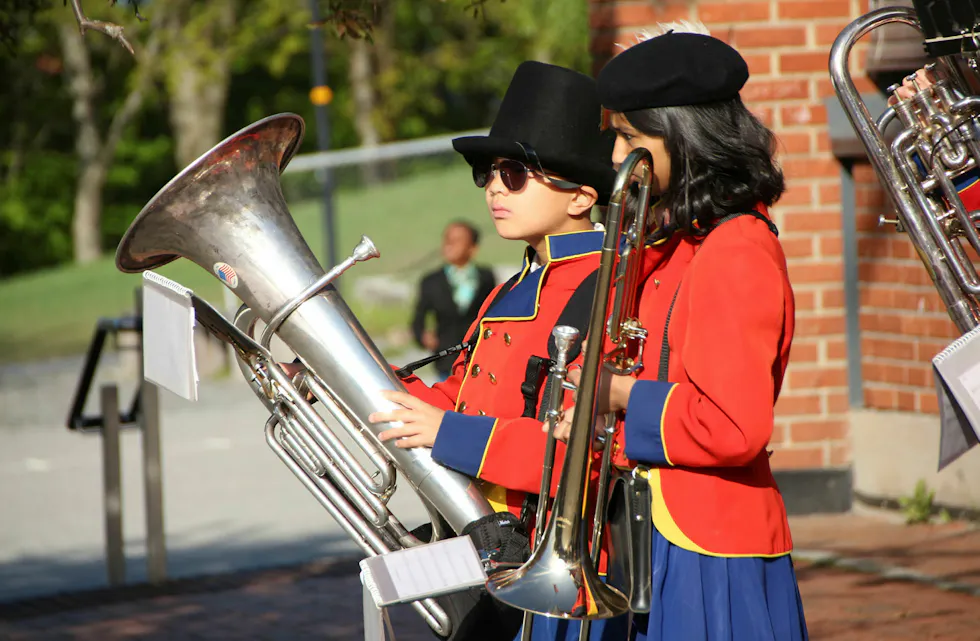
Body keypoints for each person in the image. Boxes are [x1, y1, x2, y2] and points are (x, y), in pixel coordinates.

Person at [553, 25, 809, 640]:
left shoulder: (736, 249)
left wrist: (613, 395)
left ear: (685, 137)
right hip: (656, 534)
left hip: (711, 546)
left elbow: (731, 427)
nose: (617, 157)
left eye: (630, 138)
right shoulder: (683, 244)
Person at [367, 60, 630, 641]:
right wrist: (346, 373)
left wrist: (448, 433)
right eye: (487, 172)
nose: (492, 187)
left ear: (582, 196)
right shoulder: (509, 288)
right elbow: (458, 396)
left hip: (561, 564)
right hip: (487, 545)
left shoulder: (606, 289)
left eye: (514, 173)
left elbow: (582, 450)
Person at [411, 220, 496, 380]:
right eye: (447, 240)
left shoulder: (485, 277)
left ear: (473, 248)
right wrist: (423, 337)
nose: (449, 245)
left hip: (478, 357)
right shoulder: (431, 281)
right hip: (446, 359)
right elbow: (418, 318)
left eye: (457, 241)